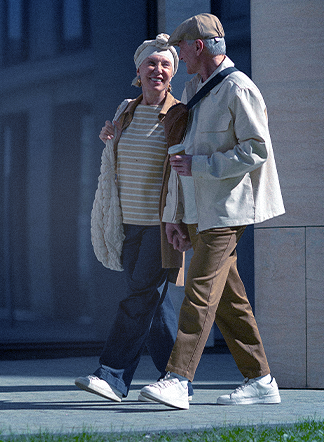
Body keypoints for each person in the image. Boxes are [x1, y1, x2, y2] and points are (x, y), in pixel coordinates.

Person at [139, 13, 286, 410]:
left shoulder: (239, 89)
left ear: (198, 47)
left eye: (181, 50)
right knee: (227, 299)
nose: (178, 58)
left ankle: (177, 378)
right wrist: (176, 213)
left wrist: (203, 166)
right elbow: (179, 157)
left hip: (227, 210)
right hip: (199, 211)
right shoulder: (193, 88)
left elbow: (257, 149)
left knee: (200, 291)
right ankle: (261, 380)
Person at [75, 34, 187, 402]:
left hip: (161, 225)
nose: (158, 70)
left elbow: (184, 172)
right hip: (127, 223)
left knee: (140, 298)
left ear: (173, 73)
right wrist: (108, 134)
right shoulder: (126, 108)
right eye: (151, 63)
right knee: (153, 303)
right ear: (139, 70)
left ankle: (111, 376)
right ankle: (179, 377)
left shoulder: (178, 113)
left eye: (165, 64)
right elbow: (116, 156)